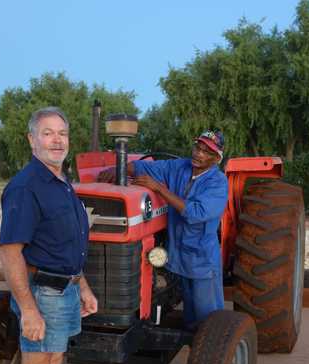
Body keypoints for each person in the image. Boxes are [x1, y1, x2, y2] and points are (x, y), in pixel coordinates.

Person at [0, 107, 96, 364]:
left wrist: (82, 286)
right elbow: (10, 252)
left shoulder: (61, 182)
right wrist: (28, 309)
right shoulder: (26, 187)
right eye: (47, 133)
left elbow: (65, 244)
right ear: (31, 140)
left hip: (65, 289)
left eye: (62, 134)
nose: (57, 140)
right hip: (42, 294)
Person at [97, 130, 228, 331]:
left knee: (209, 320)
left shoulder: (218, 182)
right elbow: (146, 167)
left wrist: (159, 189)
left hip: (201, 259)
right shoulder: (180, 166)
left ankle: (214, 355)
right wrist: (120, 169)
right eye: (197, 147)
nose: (198, 154)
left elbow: (196, 212)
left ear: (216, 158)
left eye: (206, 152)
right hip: (177, 255)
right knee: (191, 317)